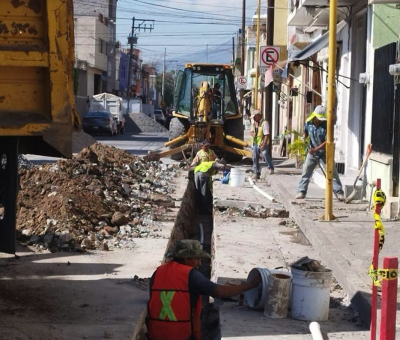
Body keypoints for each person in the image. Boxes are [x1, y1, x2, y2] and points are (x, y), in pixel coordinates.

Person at [146, 239, 261, 340]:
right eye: (197, 258)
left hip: (155, 334)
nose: (199, 263)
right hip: (180, 336)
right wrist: (250, 285)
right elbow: (219, 292)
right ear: (186, 259)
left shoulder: (158, 272)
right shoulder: (190, 274)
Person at [296, 105, 345, 201]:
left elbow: (327, 141)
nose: (320, 120)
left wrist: (316, 149)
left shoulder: (327, 126)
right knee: (306, 171)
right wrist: (304, 136)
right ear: (315, 116)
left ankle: (339, 193)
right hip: (311, 153)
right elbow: (305, 131)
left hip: (324, 153)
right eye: (319, 118)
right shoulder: (308, 122)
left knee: (332, 172)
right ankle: (301, 191)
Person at [251, 110, 274, 179]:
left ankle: (270, 167)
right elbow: (251, 132)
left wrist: (263, 144)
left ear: (258, 116)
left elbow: (267, 134)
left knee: (265, 154)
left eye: (254, 117)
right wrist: (253, 134)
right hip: (255, 143)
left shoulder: (264, 123)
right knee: (255, 158)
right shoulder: (254, 123)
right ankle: (256, 172)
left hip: (262, 142)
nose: (253, 118)